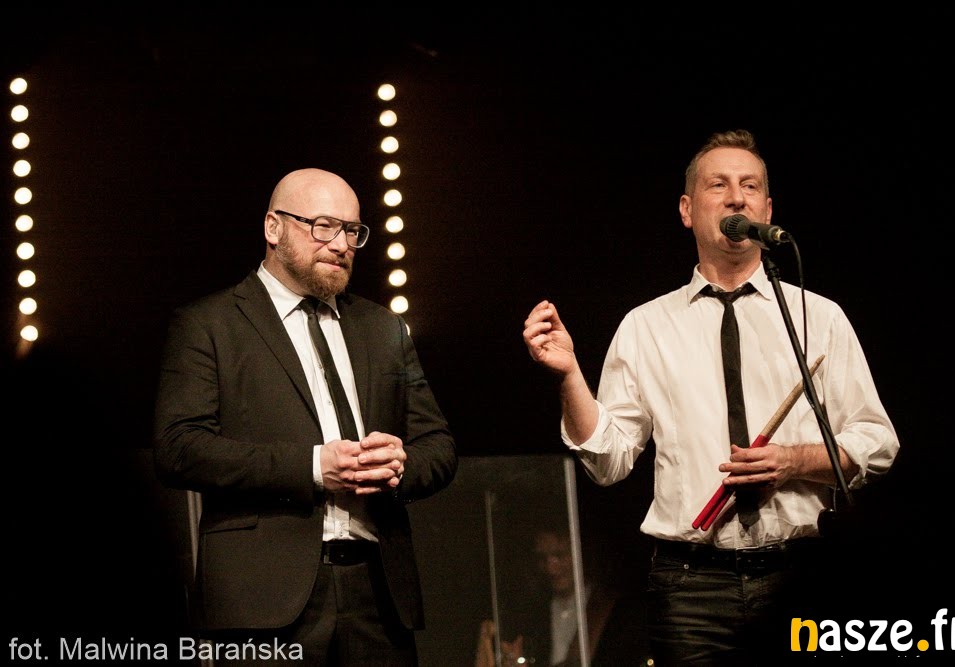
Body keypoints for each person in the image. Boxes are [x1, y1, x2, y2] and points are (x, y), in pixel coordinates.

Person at [521, 129, 899, 664]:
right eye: (718, 185)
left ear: (767, 209)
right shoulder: (647, 326)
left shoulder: (819, 317)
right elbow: (608, 460)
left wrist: (793, 460)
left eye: (750, 186)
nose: (736, 197)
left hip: (801, 573)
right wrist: (568, 376)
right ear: (687, 210)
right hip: (690, 586)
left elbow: (877, 443)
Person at [153, 167, 458, 665]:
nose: (341, 244)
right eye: (323, 226)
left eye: (352, 231)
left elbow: (439, 447)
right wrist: (314, 468)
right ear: (274, 228)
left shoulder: (383, 328)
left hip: (378, 596)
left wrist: (399, 465)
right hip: (262, 597)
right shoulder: (209, 324)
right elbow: (178, 448)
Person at [473, 523, 649, 667]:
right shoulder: (532, 613)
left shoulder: (612, 610)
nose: (550, 567)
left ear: (579, 553)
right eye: (543, 558)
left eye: (559, 555)